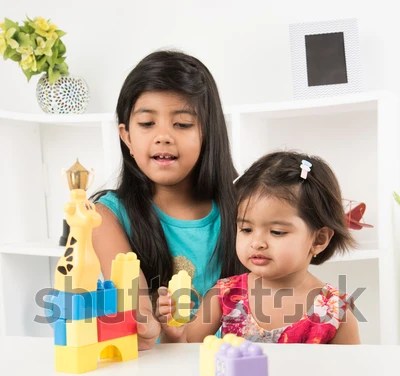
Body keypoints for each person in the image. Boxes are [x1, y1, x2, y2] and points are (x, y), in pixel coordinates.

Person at [92, 49, 239, 350]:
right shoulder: (106, 217)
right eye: (147, 123)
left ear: (208, 133)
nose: (163, 136)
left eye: (182, 124)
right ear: (126, 136)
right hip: (157, 369)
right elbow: (132, 296)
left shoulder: (243, 206)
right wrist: (142, 323)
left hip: (234, 361)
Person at [157, 150, 361, 344]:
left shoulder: (335, 312)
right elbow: (185, 352)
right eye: (246, 229)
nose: (257, 243)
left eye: (277, 232)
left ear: (319, 240)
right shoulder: (224, 294)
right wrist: (174, 334)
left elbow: (352, 368)